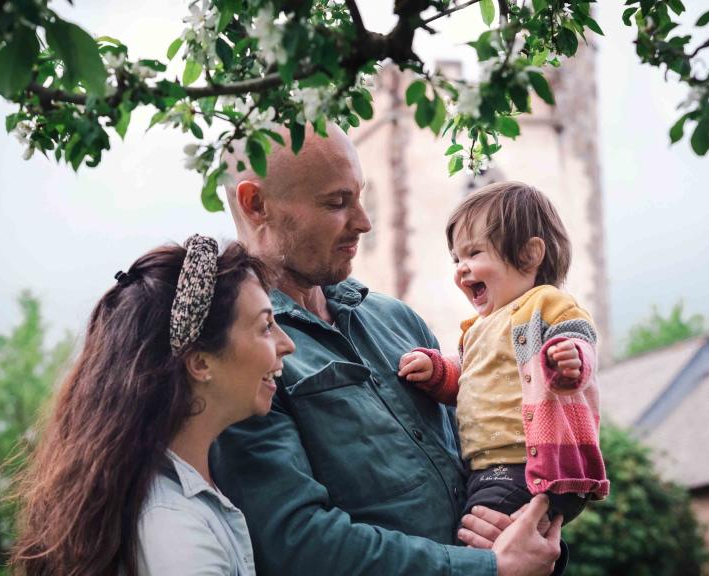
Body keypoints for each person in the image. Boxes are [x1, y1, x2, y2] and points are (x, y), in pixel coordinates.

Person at [212, 124, 563, 576]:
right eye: (337, 202)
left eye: (360, 196)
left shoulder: (398, 320)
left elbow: (485, 452)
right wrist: (486, 567)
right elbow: (297, 541)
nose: (364, 220)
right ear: (255, 204)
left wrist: (528, 532)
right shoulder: (240, 354)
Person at [9, 235, 295, 576]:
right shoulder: (177, 537)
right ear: (201, 363)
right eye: (265, 327)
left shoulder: (178, 495)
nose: (287, 344)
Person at [397, 182, 609, 538]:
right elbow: (466, 377)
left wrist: (570, 360)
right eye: (456, 259)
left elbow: (579, 339)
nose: (462, 269)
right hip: (487, 467)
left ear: (529, 255)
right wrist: (436, 372)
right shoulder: (477, 328)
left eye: (475, 253)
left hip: (532, 466)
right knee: (475, 537)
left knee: (476, 541)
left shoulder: (546, 303)